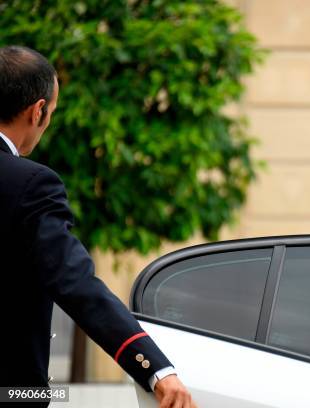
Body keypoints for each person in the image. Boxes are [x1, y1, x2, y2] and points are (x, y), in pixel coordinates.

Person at [0, 45, 195, 408]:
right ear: (37, 111)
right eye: (52, 112)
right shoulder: (30, 184)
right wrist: (155, 368)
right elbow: (75, 284)